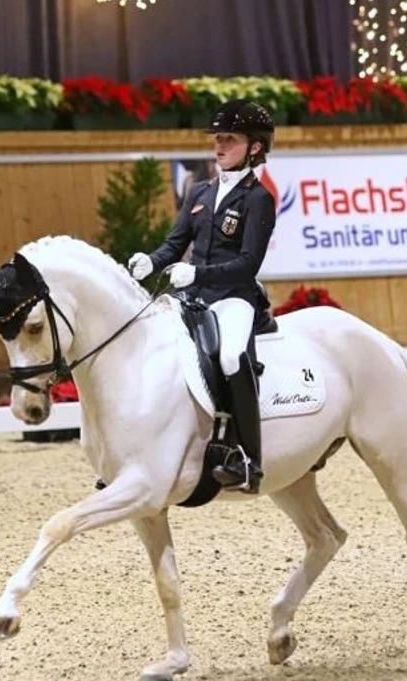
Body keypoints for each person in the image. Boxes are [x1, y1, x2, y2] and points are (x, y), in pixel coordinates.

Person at [128, 98, 277, 495]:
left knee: (230, 356)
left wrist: (199, 272)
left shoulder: (258, 199)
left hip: (234, 297)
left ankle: (248, 460)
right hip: (193, 297)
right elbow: (174, 244)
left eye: (229, 139)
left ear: (255, 147)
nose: (219, 146)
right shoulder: (200, 191)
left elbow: (248, 264)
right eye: (217, 138)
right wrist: (150, 260)